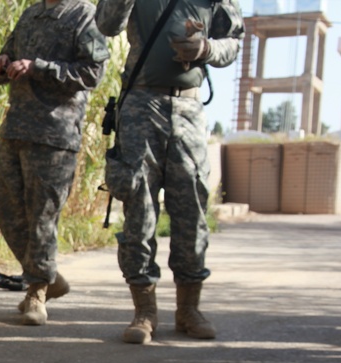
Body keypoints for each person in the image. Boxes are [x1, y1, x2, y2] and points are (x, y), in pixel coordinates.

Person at [95, 0, 244, 344]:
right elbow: (106, 25)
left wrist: (205, 48)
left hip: (189, 109)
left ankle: (189, 309)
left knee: (191, 211)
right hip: (139, 106)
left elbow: (233, 43)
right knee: (139, 210)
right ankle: (144, 312)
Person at [0, 0, 108, 326]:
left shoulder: (83, 15)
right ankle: (47, 275)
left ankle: (37, 291)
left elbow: (93, 72)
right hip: (16, 128)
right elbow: (6, 59)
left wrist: (38, 67)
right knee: (5, 204)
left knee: (42, 214)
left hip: (55, 133)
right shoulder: (31, 14)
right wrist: (1, 65)